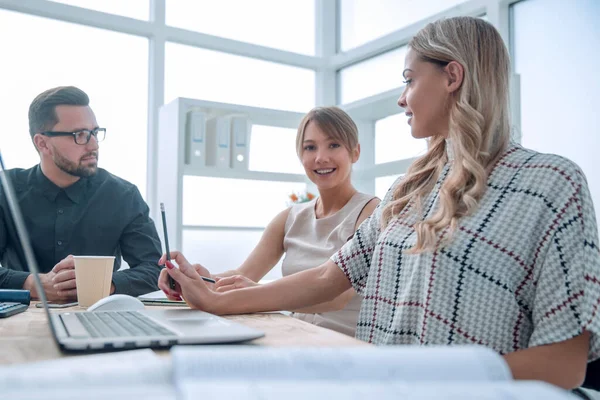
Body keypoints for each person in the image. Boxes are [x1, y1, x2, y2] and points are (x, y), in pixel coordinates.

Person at [158, 17, 600, 388]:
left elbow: (564, 364)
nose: (401, 98)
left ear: (452, 76)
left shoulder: (553, 185)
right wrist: (215, 298)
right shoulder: (408, 189)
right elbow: (329, 276)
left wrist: (423, 378)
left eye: (409, 80)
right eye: (309, 148)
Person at [161, 106, 379, 336]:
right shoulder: (290, 218)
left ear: (355, 152)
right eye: (310, 147)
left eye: (333, 145)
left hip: (343, 345)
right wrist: (196, 279)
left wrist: (256, 292)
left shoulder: (372, 213)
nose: (320, 157)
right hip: (294, 334)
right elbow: (244, 275)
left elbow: (335, 297)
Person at [0, 86, 162, 301]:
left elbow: (154, 268)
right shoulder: (5, 189)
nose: (93, 144)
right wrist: (30, 283)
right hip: (18, 320)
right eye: (80, 135)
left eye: (95, 132)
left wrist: (104, 283)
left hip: (100, 317)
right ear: (42, 143)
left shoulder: (124, 195)